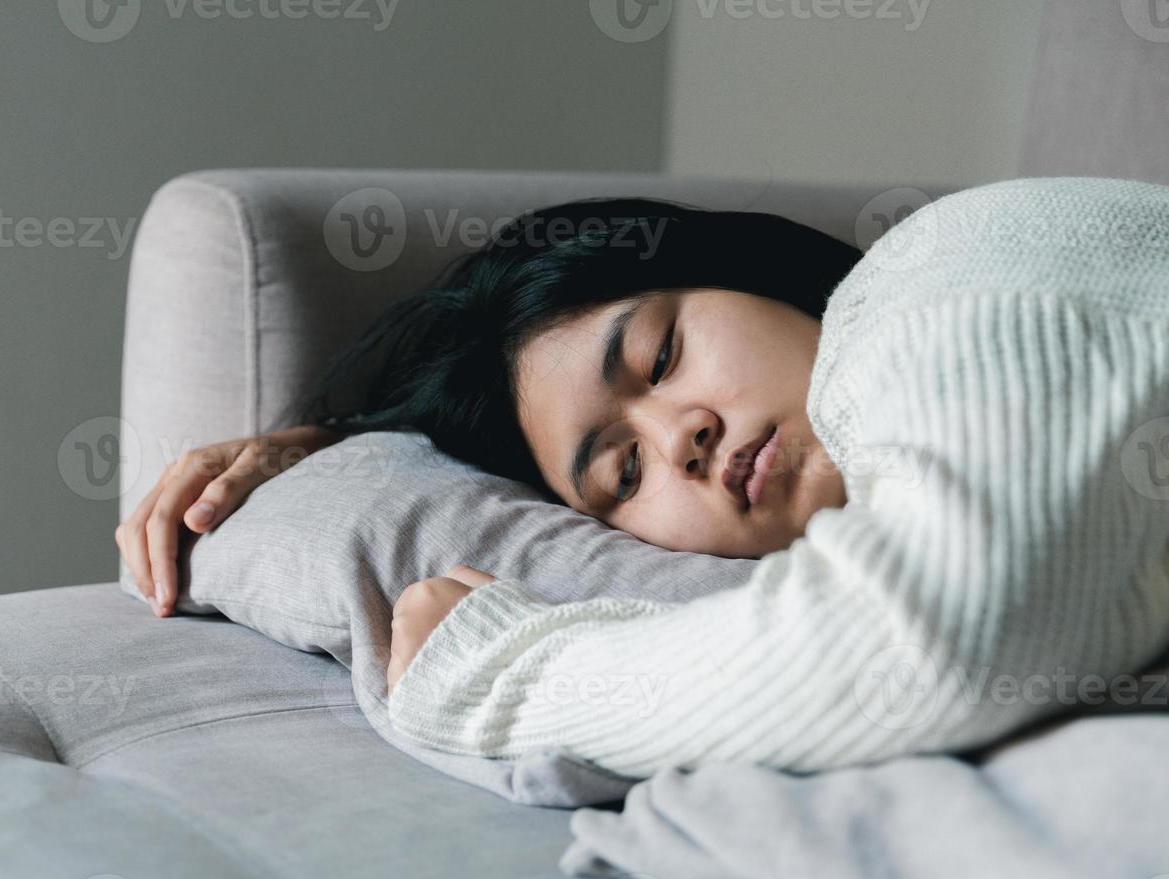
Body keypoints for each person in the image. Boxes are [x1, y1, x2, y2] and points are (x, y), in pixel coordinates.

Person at [119, 177, 1169, 779]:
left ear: (745, 272)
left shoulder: (938, 282)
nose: (685, 436)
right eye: (622, 471)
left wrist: (499, 680)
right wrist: (329, 445)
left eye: (662, 355)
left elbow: (932, 641)